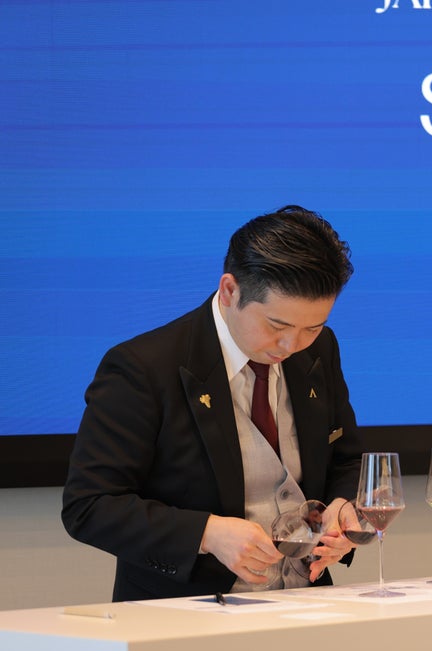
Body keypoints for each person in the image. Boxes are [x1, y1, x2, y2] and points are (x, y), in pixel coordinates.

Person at [63, 206, 366, 601]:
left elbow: (346, 459)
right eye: (277, 326)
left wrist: (343, 508)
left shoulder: (319, 349)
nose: (292, 346)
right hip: (184, 611)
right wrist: (207, 533)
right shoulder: (143, 367)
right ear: (229, 291)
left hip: (307, 603)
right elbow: (89, 506)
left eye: (312, 327)